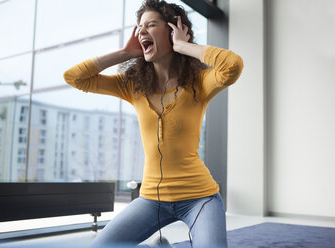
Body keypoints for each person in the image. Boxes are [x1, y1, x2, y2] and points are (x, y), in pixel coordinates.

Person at [63, 0, 243, 247]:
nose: (141, 32)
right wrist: (124, 53)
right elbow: (74, 77)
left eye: (150, 25)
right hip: (151, 199)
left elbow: (232, 66)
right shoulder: (132, 86)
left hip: (200, 198)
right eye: (139, 28)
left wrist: (183, 46)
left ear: (170, 31)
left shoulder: (199, 83)